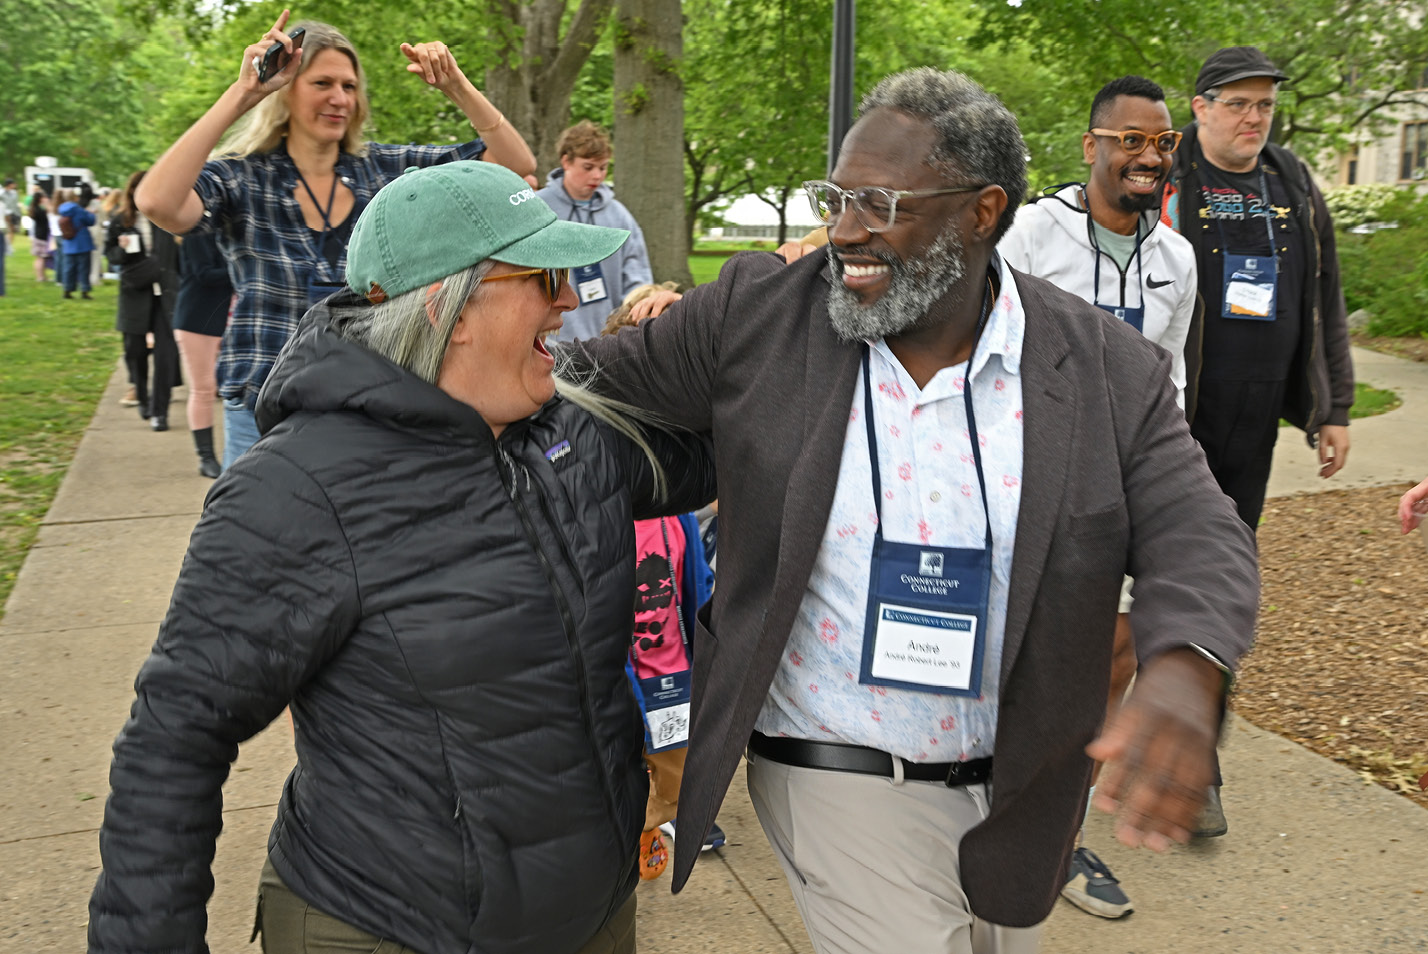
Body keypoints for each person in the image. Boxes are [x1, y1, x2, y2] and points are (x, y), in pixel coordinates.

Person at [568, 67, 1259, 954]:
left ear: (981, 211)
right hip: (832, 767)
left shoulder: (1100, 370)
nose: (843, 230)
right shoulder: (759, 318)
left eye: (879, 202)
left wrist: (1189, 664)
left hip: (1017, 785)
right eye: (838, 198)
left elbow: (1198, 526)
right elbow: (576, 394)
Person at [87, 160, 715, 954]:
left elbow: (738, 443)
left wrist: (781, 298)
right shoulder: (297, 491)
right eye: (543, 275)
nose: (568, 298)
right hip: (390, 924)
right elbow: (174, 737)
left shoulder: (570, 430)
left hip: (592, 910)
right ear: (449, 308)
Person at [136, 12, 537, 468]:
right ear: (285, 90)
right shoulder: (243, 176)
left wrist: (456, 87)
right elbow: (156, 202)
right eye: (323, 83)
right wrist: (243, 93)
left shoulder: (382, 169)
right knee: (261, 537)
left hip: (366, 404)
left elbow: (515, 170)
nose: (339, 98)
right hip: (263, 404)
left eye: (349, 86)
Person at [997, 74, 1200, 920]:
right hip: (1024, 482)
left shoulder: (1178, 258)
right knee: (1008, 654)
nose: (1148, 156)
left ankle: (1060, 834)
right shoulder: (1030, 235)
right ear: (1092, 147)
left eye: (1162, 143)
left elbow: (1172, 380)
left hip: (1119, 491)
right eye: (1131, 140)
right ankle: (974, 807)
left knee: (1110, 658)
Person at [1164, 46, 1355, 528]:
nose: (1255, 117)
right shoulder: (1167, 174)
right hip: (1186, 397)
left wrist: (1338, 411)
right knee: (1173, 533)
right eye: (1238, 104)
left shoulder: (1293, 180)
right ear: (1201, 107)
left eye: (1265, 105)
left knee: (1238, 530)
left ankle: (1230, 606)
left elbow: (1326, 295)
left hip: (1263, 398)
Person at [536, 120, 654, 341]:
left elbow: (637, 277)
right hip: (551, 341)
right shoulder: (537, 209)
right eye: (588, 167)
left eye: (603, 167)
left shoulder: (619, 215)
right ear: (566, 162)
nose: (597, 176)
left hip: (606, 340)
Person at [105, 171, 181, 432]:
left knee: (165, 355)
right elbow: (111, 256)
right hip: (135, 293)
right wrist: (122, 248)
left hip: (168, 295)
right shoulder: (121, 221)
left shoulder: (171, 219)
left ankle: (161, 412)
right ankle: (142, 397)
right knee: (134, 351)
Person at [172, 229, 233, 476]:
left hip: (225, 318)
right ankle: (206, 456)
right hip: (197, 320)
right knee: (203, 388)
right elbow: (204, 274)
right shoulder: (196, 235)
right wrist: (247, 269)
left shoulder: (228, 233)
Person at [55, 188, 97, 299]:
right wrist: (91, 213)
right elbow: (90, 221)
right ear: (75, 197)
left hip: (68, 243)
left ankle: (67, 290)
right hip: (82, 242)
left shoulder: (61, 209)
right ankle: (84, 290)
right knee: (84, 268)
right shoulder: (78, 209)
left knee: (68, 268)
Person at [28, 191, 52, 282]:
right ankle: (40, 276)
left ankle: (42, 276)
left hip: (38, 235)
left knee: (41, 257)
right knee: (41, 258)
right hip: (42, 236)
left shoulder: (35, 209)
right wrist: (47, 204)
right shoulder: (40, 211)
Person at [2, 177, 21, 242]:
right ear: (9, 184)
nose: (15, 185)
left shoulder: (14, 193)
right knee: (5, 229)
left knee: (11, 229)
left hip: (13, 213)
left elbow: (15, 204)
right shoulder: (1, 193)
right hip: (4, 213)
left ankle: (9, 245)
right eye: (13, 184)